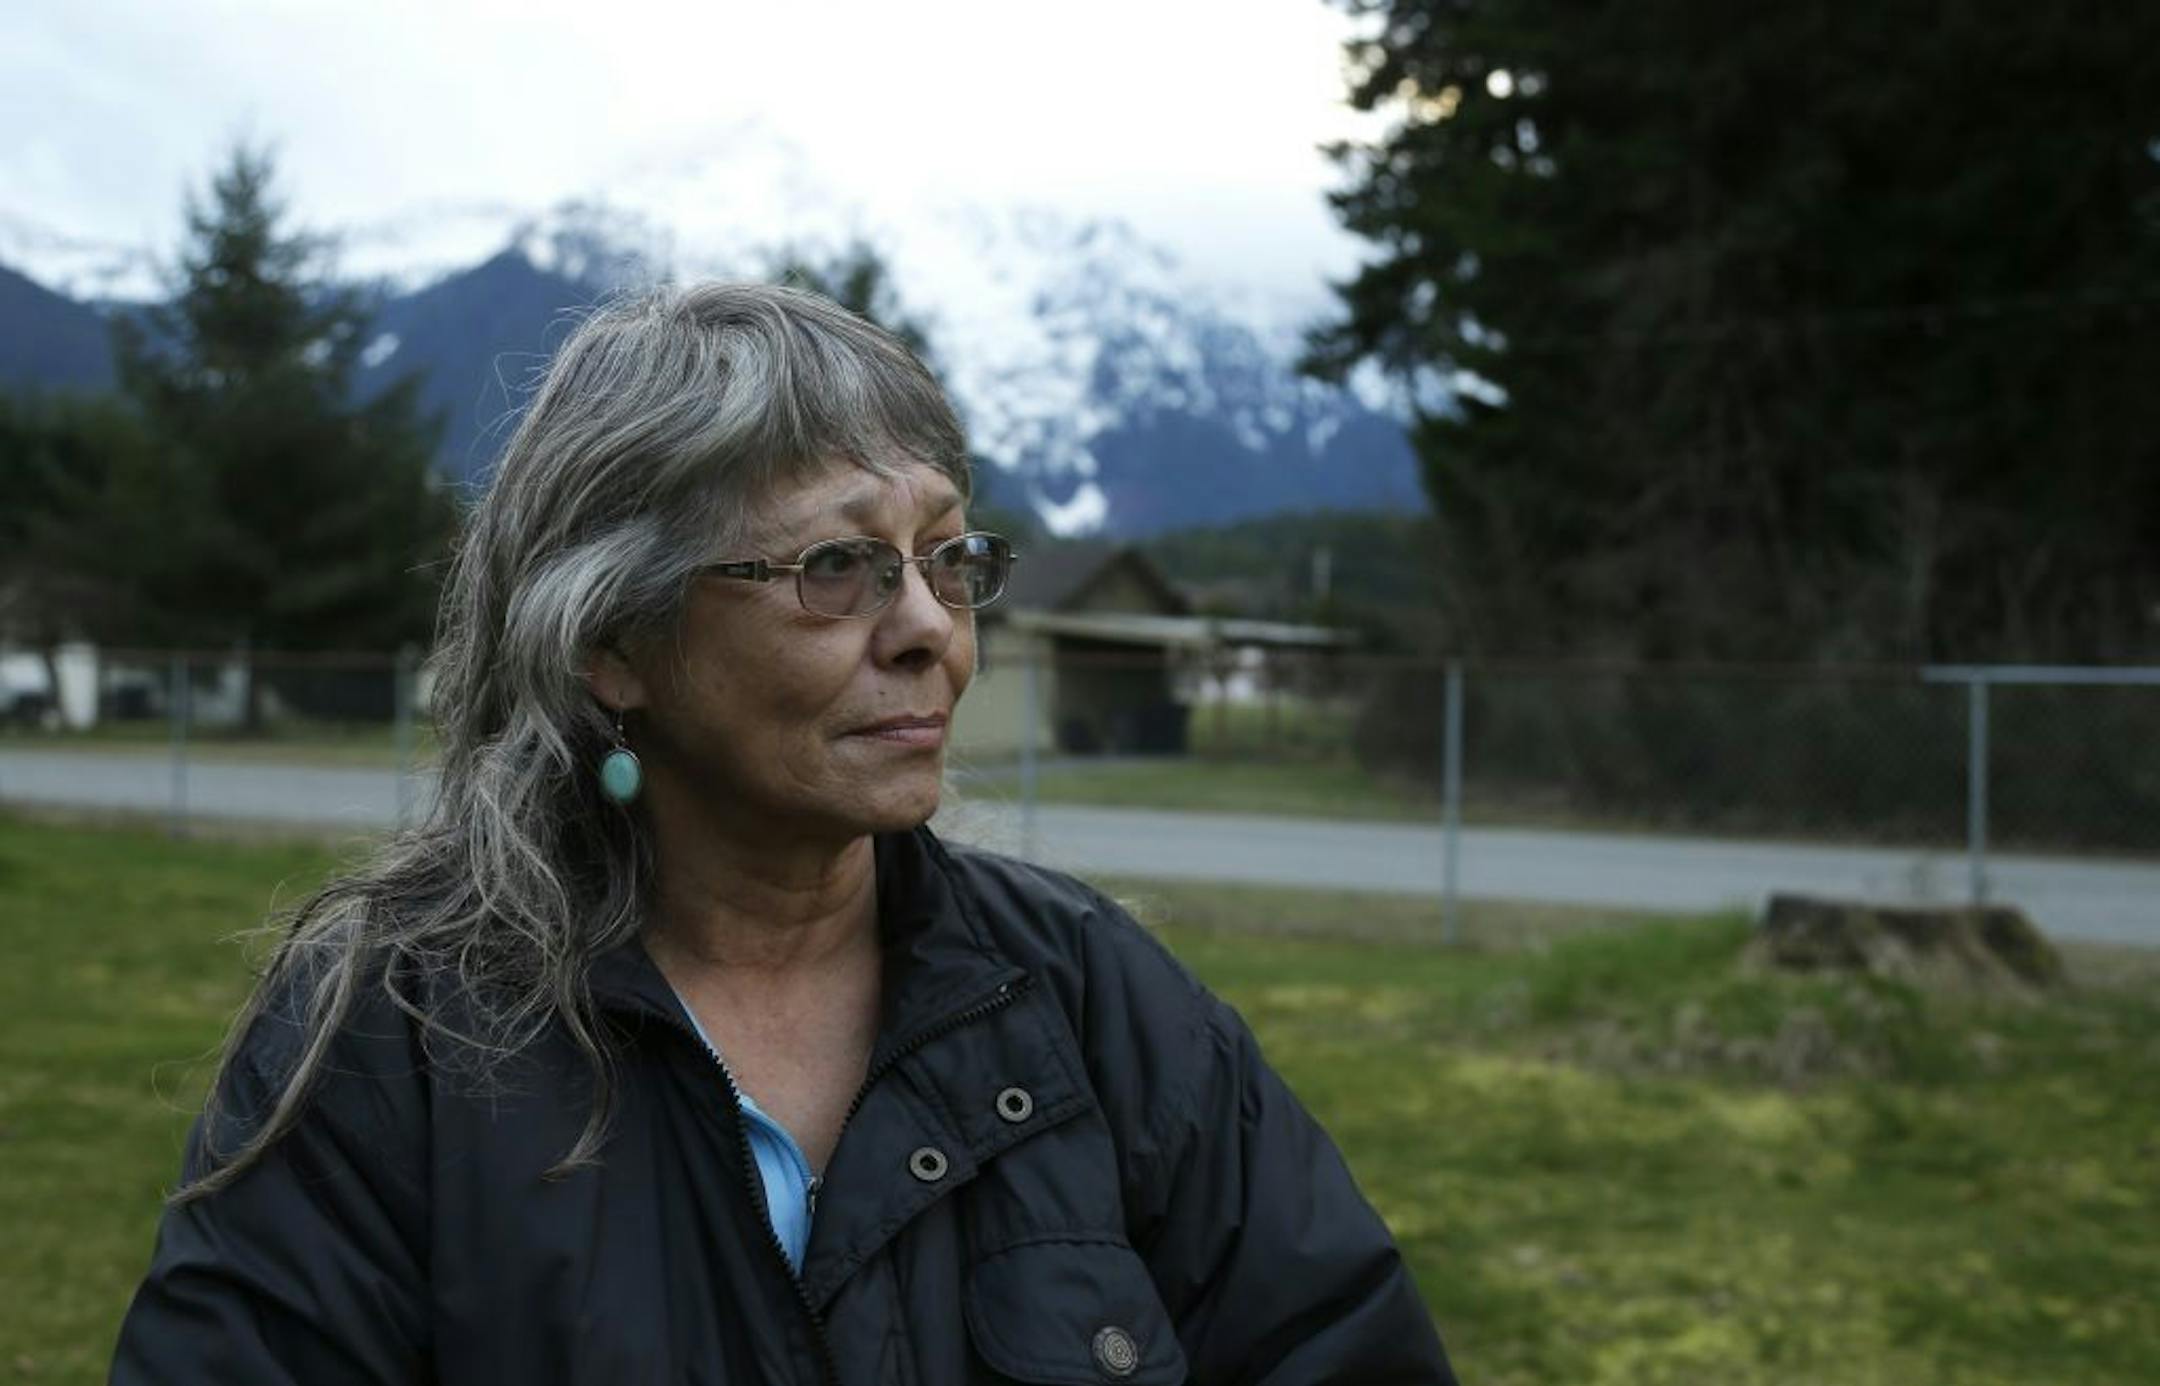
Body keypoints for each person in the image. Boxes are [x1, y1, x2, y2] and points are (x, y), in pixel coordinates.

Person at [112, 282, 1457, 1385]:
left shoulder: (1101, 1009)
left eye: (948, 557)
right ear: (612, 644)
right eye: (836, 567)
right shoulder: (394, 1040)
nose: (930, 625)